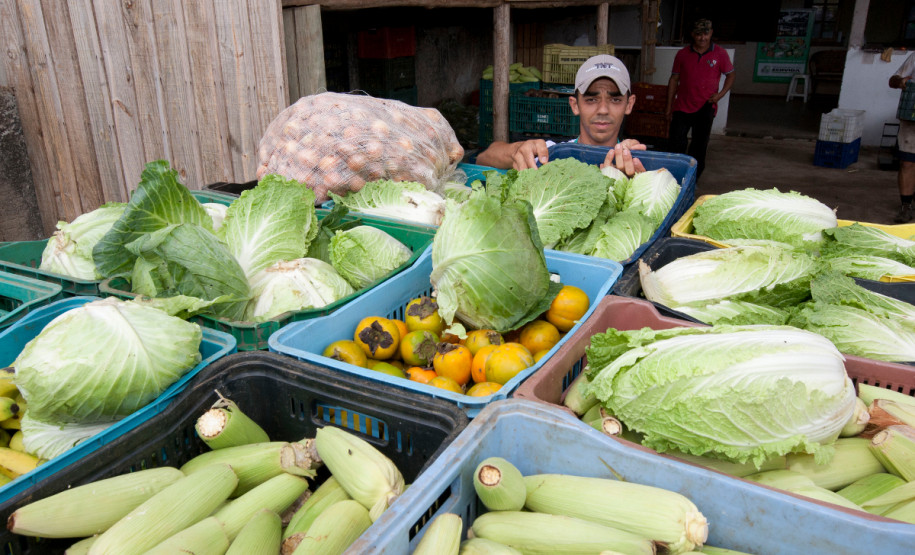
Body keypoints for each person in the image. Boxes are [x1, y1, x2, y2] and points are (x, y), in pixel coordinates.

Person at [475, 54, 646, 175]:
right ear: (574, 105)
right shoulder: (552, 154)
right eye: (591, 100)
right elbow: (483, 157)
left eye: (615, 100)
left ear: (629, 104)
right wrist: (517, 150)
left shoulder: (635, 161)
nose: (603, 109)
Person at [665, 18, 735, 179]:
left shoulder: (720, 54)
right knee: (676, 144)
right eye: (698, 34)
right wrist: (669, 107)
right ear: (692, 35)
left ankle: (693, 179)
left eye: (706, 33)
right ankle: (674, 177)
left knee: (699, 146)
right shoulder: (682, 54)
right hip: (682, 106)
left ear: (711, 33)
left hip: (706, 106)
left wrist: (720, 94)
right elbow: (674, 79)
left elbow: (731, 75)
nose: (702, 38)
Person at [889, 52, 915, 223]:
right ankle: (906, 205)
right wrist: (901, 81)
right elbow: (892, 80)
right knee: (907, 162)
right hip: (912, 118)